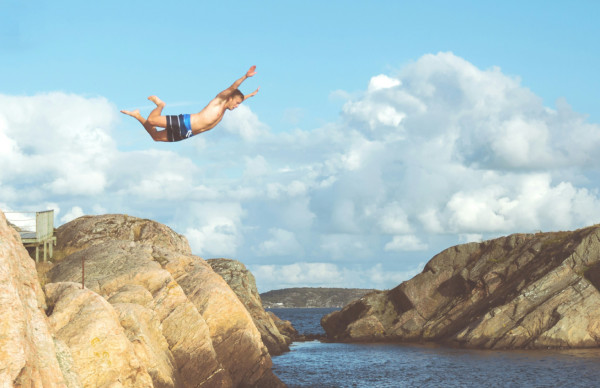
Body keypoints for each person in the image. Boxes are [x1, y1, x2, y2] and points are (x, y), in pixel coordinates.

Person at [121, 66, 259, 142]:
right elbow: (233, 88)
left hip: (187, 133)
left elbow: (237, 97)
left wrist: (250, 95)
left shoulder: (225, 107)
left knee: (156, 137)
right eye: (237, 103)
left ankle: (137, 115)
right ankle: (160, 105)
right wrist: (245, 77)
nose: (237, 106)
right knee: (152, 120)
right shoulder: (219, 100)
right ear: (230, 98)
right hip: (185, 123)